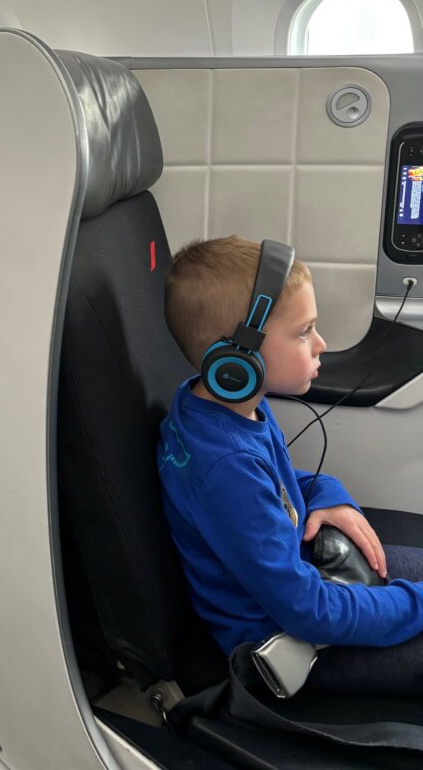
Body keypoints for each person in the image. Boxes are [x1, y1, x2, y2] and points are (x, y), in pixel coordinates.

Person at [158, 236, 423, 695]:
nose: (321, 344)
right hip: (285, 644)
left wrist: (327, 493)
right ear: (236, 360)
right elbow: (307, 610)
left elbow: (273, 484)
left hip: (300, 587)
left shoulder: (222, 405)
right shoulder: (226, 465)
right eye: (304, 332)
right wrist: (415, 604)